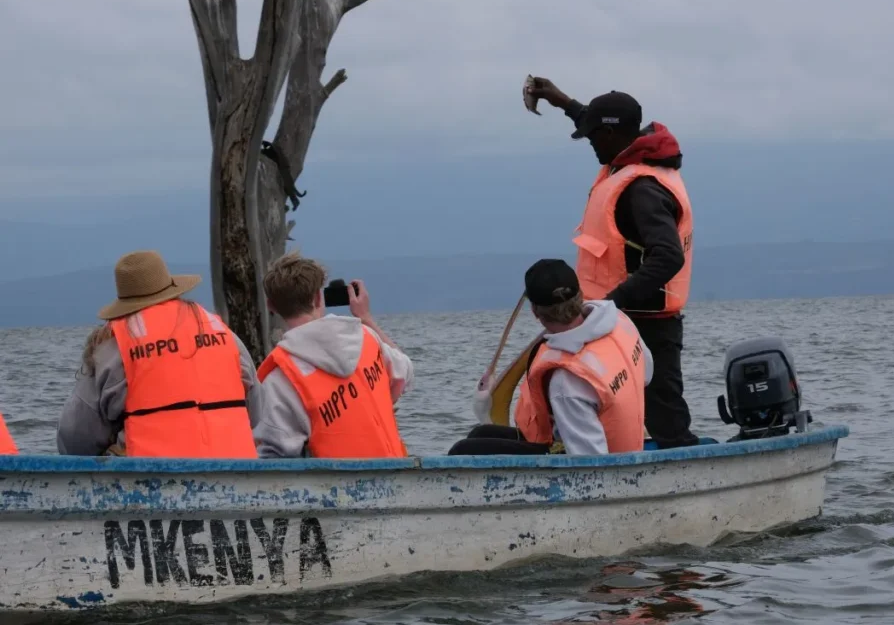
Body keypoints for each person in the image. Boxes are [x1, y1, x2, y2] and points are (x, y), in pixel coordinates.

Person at [525, 78, 698, 448]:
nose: (590, 143)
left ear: (613, 135)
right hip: (615, 321)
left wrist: (612, 303)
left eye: (593, 137)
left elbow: (668, 255)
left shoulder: (642, 189)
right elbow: (598, 119)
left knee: (665, 419)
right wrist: (562, 102)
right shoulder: (633, 153)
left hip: (646, 325)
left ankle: (688, 481)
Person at [57, 250, 263, 458]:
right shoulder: (223, 334)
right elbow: (259, 414)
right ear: (173, 289)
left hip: (146, 477)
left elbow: (75, 438)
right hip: (235, 469)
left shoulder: (113, 346)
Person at [449, 258, 652, 456]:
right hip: (626, 441)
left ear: (536, 312)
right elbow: (647, 374)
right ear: (580, 294)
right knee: (481, 434)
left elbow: (590, 461)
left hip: (605, 462)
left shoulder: (568, 380)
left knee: (463, 450)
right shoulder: (619, 322)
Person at [254, 252, 414, 459]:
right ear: (318, 297)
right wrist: (366, 318)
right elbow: (406, 372)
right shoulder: (368, 338)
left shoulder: (280, 377)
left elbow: (274, 456)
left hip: (333, 487)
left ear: (271, 306)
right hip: (394, 477)